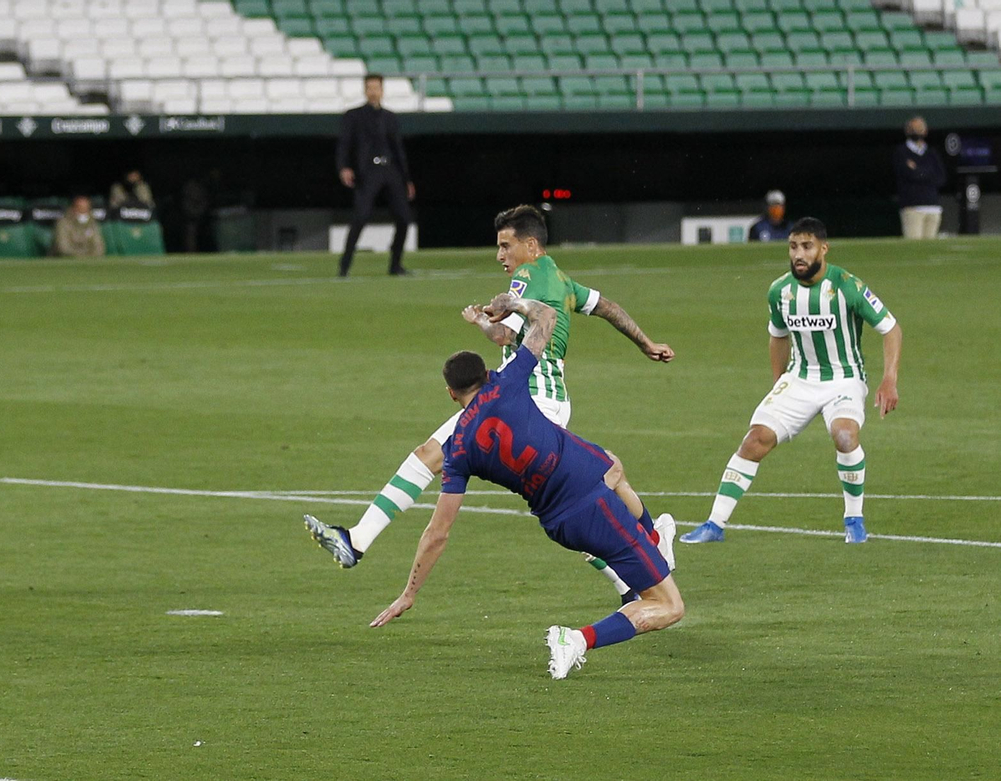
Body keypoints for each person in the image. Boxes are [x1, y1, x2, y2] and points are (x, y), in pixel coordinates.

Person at [306, 205, 675, 605]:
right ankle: (635, 574)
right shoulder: (561, 279)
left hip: (522, 400)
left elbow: (502, 336)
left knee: (433, 457)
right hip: (546, 402)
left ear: (530, 246)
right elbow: (608, 308)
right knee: (564, 503)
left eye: (505, 245)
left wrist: (482, 322)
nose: (500, 255)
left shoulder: (527, 276)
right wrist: (646, 343)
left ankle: (357, 541)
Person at [365, 294, 683, 679]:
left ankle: (653, 537)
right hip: (589, 501)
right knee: (668, 606)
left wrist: (410, 593)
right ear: (487, 374)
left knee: (614, 465)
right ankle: (578, 639)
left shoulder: (459, 448)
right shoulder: (508, 382)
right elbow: (546, 317)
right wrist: (511, 303)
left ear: (451, 395)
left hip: (561, 516)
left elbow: (438, 532)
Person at [680, 217, 902, 545]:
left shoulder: (848, 286)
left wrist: (889, 380)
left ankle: (854, 519)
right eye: (793, 246)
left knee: (844, 435)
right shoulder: (780, 290)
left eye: (807, 246)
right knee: (754, 440)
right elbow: (778, 337)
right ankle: (714, 524)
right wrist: (777, 382)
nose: (799, 254)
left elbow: (890, 328)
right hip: (799, 379)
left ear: (823, 249)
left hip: (844, 378)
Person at [335, 74, 414, 277]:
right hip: (368, 171)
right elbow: (344, 144)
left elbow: (398, 149)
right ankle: (345, 265)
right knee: (360, 216)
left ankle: (395, 265)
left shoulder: (390, 117)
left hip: (391, 170)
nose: (373, 92)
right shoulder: (353, 116)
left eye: (376, 88)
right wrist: (344, 167)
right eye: (369, 88)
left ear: (382, 90)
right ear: (365, 90)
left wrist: (406, 179)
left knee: (403, 218)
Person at [895, 116, 945, 239]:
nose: (917, 132)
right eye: (914, 129)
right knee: (914, 247)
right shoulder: (901, 152)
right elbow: (907, 174)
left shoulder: (932, 152)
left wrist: (917, 170)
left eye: (920, 128)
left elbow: (941, 177)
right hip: (912, 208)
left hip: (933, 207)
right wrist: (927, 173)